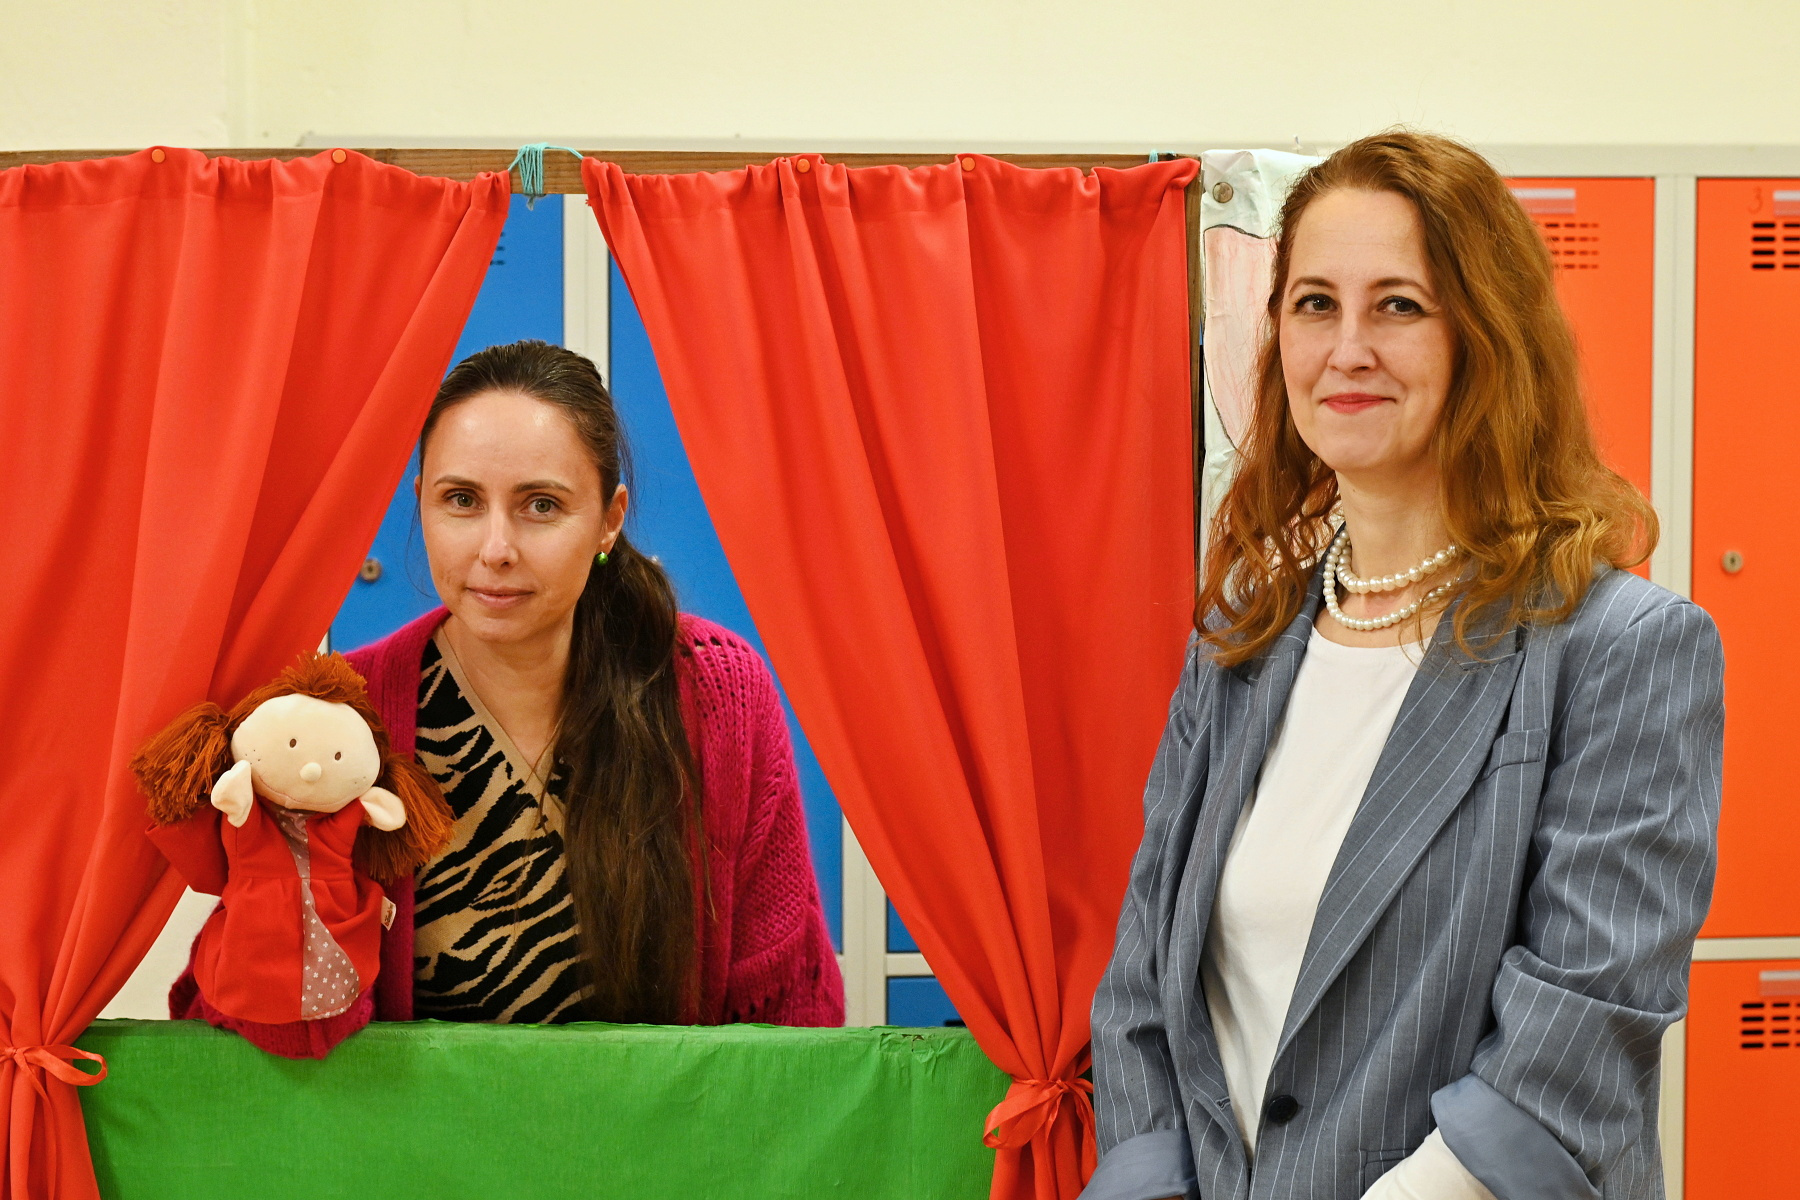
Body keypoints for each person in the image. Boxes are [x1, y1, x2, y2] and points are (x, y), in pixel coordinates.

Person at [1082, 132, 1724, 1200]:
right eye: (1315, 304)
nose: (1348, 349)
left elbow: (1584, 1019)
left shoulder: (1621, 648)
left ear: (1487, 337)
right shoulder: (1243, 633)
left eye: (1399, 306)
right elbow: (1144, 974)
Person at [171, 339, 843, 1054]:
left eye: (540, 505)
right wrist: (287, 903)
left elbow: (788, 1020)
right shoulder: (339, 724)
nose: (496, 549)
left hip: (659, 1128)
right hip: (412, 1128)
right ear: (421, 501)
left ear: (609, 518)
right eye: (461, 500)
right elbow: (242, 1029)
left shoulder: (714, 691)